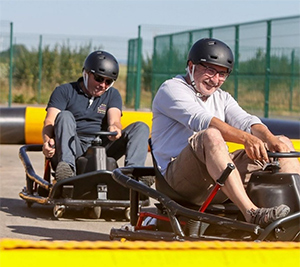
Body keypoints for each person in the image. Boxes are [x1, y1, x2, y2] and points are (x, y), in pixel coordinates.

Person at [151, 38, 300, 228]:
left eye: (222, 74)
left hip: (216, 178)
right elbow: (202, 121)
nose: (215, 80)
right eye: (210, 70)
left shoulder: (222, 97)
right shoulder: (171, 89)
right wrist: (246, 139)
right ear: (191, 66)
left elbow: (247, 121)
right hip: (177, 181)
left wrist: (270, 139)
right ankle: (252, 213)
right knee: (210, 135)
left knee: (283, 142)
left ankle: (294, 215)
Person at [42, 50, 150, 182]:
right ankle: (67, 171)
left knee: (141, 127)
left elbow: (115, 119)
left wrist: (114, 129)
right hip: (72, 145)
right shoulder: (64, 91)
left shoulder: (112, 95)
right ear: (86, 73)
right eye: (99, 78)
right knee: (64, 115)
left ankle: (133, 175)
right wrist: (47, 141)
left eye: (108, 82)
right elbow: (50, 121)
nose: (102, 85)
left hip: (101, 147)